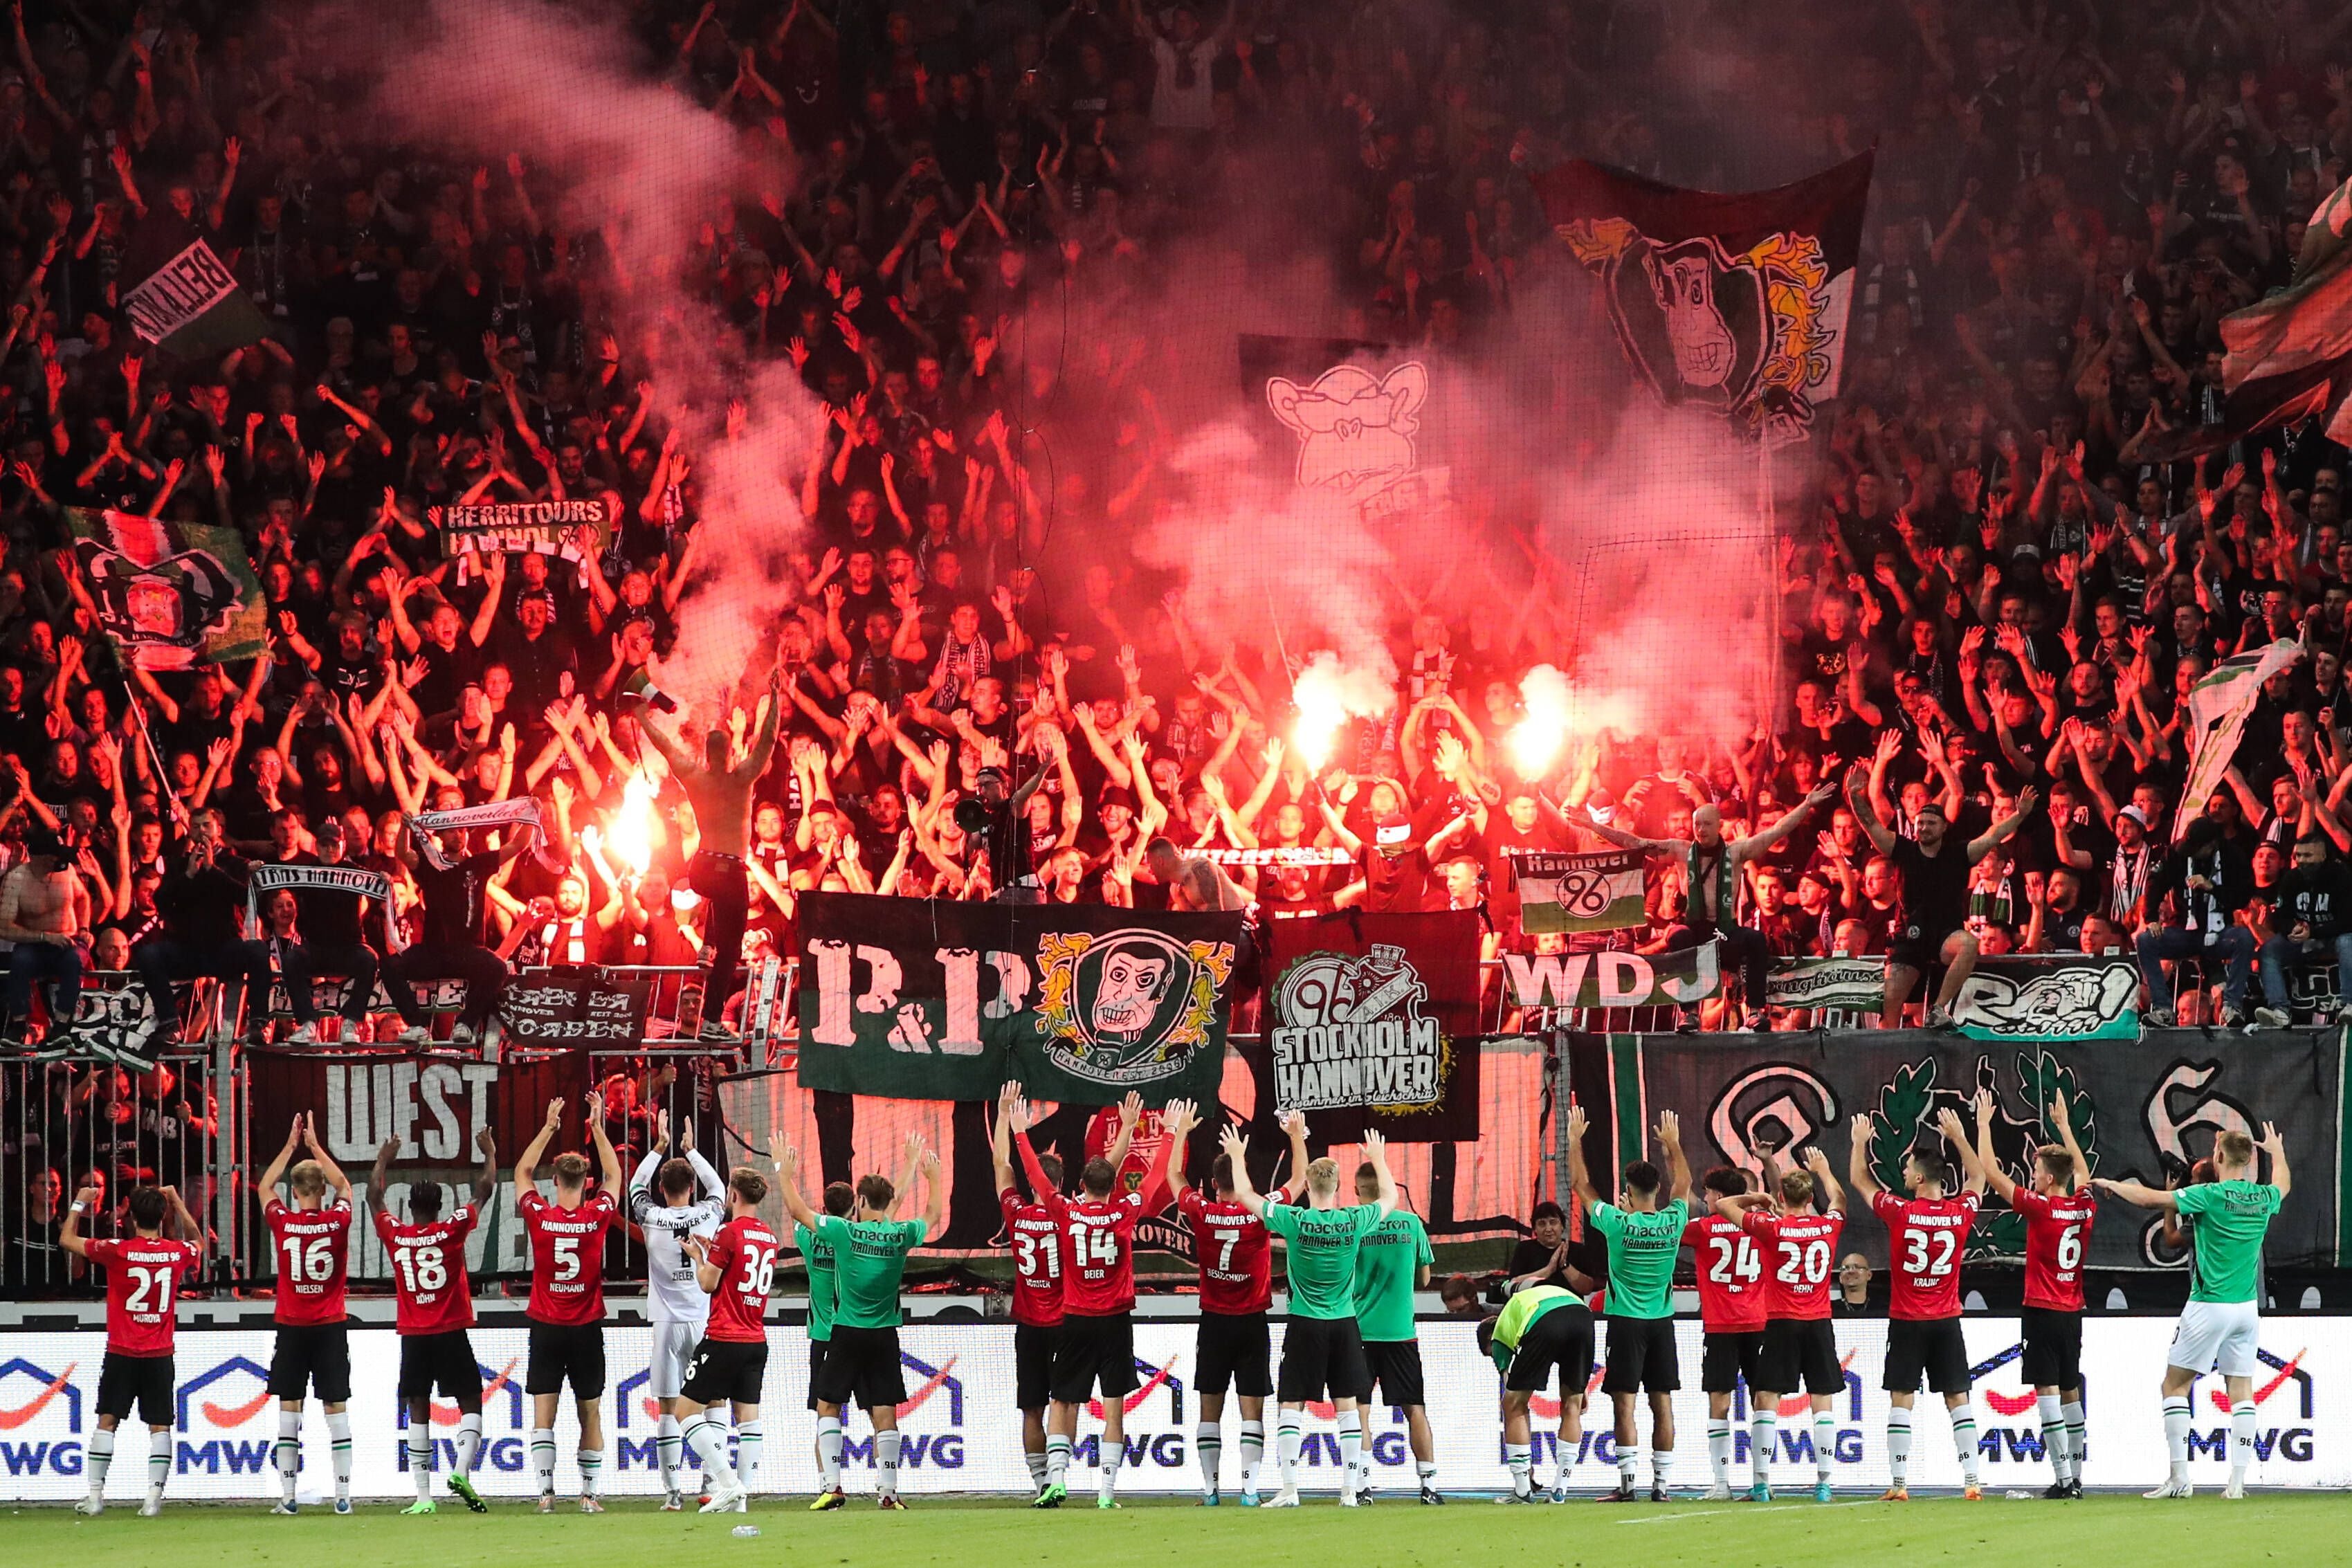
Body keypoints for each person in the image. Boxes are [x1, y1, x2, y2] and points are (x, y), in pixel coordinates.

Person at [2094, 1124, 2290, 1499]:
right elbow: (2283, 1184)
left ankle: (2180, 1479)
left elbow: (2152, 1200)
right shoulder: (2264, 1197)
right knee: (2241, 1389)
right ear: (2250, 1160)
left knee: (2175, 1386)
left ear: (2218, 1158)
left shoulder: (2209, 1195)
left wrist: (2114, 1184)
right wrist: (2278, 1152)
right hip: (2247, 1309)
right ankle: (2236, 1483)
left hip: (2208, 1306)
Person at [1214, 1120, 1397, 1508]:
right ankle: (1349, 1491)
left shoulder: (1294, 1221)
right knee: (1347, 1404)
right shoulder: (1353, 1221)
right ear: (1336, 1188)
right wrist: (1379, 1159)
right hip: (1345, 1323)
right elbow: (1390, 1199)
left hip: (1305, 1323)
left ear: (1309, 1188)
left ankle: (1290, 1488)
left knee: (1291, 1403)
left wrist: (1236, 1156)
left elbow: (1245, 1193)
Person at [1017, 1089, 1185, 1510]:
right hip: (1114, 1321)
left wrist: (1020, 1132)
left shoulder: (1066, 1212)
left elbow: (1037, 1178)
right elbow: (1157, 1175)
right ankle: (1107, 1493)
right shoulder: (1126, 1210)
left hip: (1073, 1319)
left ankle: (1055, 1481)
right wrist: (1168, 1133)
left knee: (1062, 1399)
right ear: (1114, 1185)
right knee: (1113, 1407)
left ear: (1080, 1187)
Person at [1570, 784, 1837, 1028]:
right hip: (1695, 931)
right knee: (1678, 935)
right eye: (1697, 824)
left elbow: (1776, 831)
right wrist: (1594, 828)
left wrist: (1806, 804)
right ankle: (1689, 1012)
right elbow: (1636, 844)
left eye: (1707, 824)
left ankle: (1755, 1010)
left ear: (1719, 825)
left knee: (1755, 939)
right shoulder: (1680, 849)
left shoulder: (1736, 852)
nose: (1700, 829)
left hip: (1725, 931)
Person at [776, 1133, 946, 1511]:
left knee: (828, 1406)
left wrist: (784, 1173)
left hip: (846, 1332)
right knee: (885, 1412)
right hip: (885, 1334)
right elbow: (932, 1216)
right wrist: (932, 1177)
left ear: (862, 1202)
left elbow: (799, 1213)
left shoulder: (844, 1233)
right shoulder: (900, 1235)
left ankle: (832, 1486)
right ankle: (888, 1493)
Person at [637, 668, 785, 1039]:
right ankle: (713, 1019)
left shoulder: (695, 777)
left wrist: (642, 718)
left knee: (717, 896)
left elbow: (665, 747)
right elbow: (767, 740)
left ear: (706, 753)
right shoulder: (742, 778)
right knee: (732, 953)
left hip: (701, 867)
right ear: (731, 752)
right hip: (730, 868)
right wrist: (776, 699)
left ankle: (707, 947)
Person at [1848, 1108, 1987, 1501]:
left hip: (1908, 1321)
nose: (1905, 1174)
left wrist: (1859, 1142)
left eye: (1909, 1169)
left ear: (1921, 1178)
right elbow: (1978, 1178)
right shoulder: (1960, 1212)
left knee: (1901, 1398)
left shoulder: (1900, 1211)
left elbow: (1860, 1180)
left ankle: (1898, 1484)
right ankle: (1973, 1482)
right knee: (1958, 1397)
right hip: (1946, 1320)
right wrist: (1960, 1136)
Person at [1177, 1106, 1309, 1506]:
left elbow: (1173, 1179)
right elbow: (1300, 1180)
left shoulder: (1201, 1210)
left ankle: (1211, 1491)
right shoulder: (1260, 1211)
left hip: (1214, 1323)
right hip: (1252, 1322)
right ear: (1240, 1177)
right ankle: (1250, 1492)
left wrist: (1178, 1134)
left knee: (1209, 1408)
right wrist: (1296, 1135)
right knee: (1252, 1409)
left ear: (1214, 1184)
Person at [1562, 1104, 1689, 1501]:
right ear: (1656, 1191)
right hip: (1662, 1323)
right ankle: (1663, 1487)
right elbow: (1683, 1184)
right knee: (1662, 1402)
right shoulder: (1675, 1220)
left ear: (1629, 1192)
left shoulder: (1617, 1224)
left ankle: (1628, 1486)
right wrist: (1674, 1145)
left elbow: (1582, 1185)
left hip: (1626, 1323)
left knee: (1624, 1404)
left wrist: (1574, 1141)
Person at [1848, 761, 2035, 1028]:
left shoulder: (1959, 854)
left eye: (1930, 823)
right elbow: (1870, 825)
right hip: (1908, 939)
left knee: (1969, 944)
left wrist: (2019, 815)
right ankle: (1883, 1057)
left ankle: (1938, 1010)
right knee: (1889, 1009)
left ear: (1944, 827)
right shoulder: (1903, 849)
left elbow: (1993, 835)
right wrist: (1855, 796)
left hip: (1945, 936)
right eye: (1920, 823)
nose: (1923, 827)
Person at [1973, 1089, 2094, 1497]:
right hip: (2073, 1310)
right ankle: (2077, 1476)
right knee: (2069, 1389)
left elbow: (1989, 1171)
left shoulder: (2041, 1207)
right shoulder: (2084, 1207)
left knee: (2045, 1390)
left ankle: (2063, 1481)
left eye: (2037, 1170)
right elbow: (2085, 1173)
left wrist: (1984, 1124)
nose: (2033, 1175)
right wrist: (2064, 1127)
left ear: (2049, 1178)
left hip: (2042, 1310)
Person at [372, 1128, 498, 1515]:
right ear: (442, 1206)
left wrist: (385, 1158)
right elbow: (485, 1190)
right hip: (451, 1331)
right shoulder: (451, 1229)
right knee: (471, 1400)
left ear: (409, 1207)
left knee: (417, 1405)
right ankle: (461, 1470)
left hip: (413, 1335)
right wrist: (489, 1153)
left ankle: (423, 1497)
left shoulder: (396, 1234)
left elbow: (374, 1197)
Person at [61, 1181, 202, 1517]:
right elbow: (198, 1240)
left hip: (122, 1351)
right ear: (162, 1215)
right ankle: (153, 1500)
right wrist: (178, 1202)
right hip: (159, 1354)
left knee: (107, 1420)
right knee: (160, 1427)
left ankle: (95, 1497)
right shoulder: (176, 1252)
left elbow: (66, 1240)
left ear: (131, 1217)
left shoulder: (117, 1250)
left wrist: (79, 1204)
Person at [513, 1092, 623, 1513]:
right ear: (585, 1183)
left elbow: (523, 1170)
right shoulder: (597, 1215)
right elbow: (614, 1176)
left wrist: (548, 1126)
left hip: (545, 1325)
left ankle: (545, 1495)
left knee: (544, 1412)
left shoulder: (541, 1216)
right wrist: (596, 1126)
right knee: (589, 1412)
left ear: (555, 1182)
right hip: (586, 1327)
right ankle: (590, 1495)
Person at [1716, 1146, 1845, 1502]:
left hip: (1781, 1322)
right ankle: (1824, 1484)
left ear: (1780, 1196)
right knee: (1822, 1401)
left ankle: (1760, 1482)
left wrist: (1754, 1195)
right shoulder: (1827, 1225)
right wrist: (1824, 1169)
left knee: (1766, 1398)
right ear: (1809, 1198)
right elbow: (1839, 1198)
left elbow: (1722, 1207)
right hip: (1818, 1321)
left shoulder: (1771, 1227)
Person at [626, 1106, 728, 1510]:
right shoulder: (708, 1214)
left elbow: (635, 1187)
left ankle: (672, 1494)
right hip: (704, 1320)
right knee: (713, 1401)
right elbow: (719, 1186)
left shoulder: (651, 1217)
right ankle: (711, 1481)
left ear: (663, 1189)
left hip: (666, 1325)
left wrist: (660, 1146)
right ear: (692, 1186)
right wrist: (692, 1149)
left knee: (669, 1405)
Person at [256, 1113, 356, 1514]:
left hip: (293, 1327)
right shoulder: (337, 1219)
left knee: (289, 1407)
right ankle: (344, 1496)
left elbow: (264, 1185)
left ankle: (288, 1496)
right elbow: (345, 1185)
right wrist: (315, 1146)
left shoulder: (283, 1222)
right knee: (336, 1408)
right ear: (321, 1190)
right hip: (330, 1326)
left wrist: (291, 1145)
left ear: (295, 1191)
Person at [675, 1164, 781, 1513]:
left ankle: (728, 1482)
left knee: (686, 1412)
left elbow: (708, 1283)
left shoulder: (728, 1231)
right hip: (755, 1339)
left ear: (733, 1195)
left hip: (723, 1337)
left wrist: (697, 1257)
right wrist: (712, 1253)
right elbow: (737, 1272)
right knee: (748, 1418)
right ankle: (741, 1501)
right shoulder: (769, 1236)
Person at [384, 817, 540, 1047]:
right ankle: (417, 1025)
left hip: (468, 952)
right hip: (433, 951)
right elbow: (403, 854)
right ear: (441, 836)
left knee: (497, 967)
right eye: (451, 831)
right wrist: (406, 827)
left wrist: (530, 815)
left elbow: (518, 845)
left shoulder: (478, 864)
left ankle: (465, 1023)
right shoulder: (431, 865)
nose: (458, 835)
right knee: (389, 966)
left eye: (462, 830)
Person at [992, 1084, 1072, 1501]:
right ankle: (1058, 1478)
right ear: (1061, 1183)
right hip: (1064, 1322)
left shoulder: (1017, 1211)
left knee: (1032, 1408)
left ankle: (1040, 1483)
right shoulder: (1069, 1216)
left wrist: (1005, 1113)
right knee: (1066, 1402)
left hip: (1028, 1324)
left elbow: (1000, 1161)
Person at [1349, 1154, 1441, 1503]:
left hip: (1359, 1332)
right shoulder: (1411, 1224)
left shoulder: (1353, 1223)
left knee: (1360, 1410)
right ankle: (1429, 1486)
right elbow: (1425, 1276)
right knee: (1415, 1408)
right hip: (1401, 1332)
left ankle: (1363, 1486)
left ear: (1357, 1191)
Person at [1685, 1163, 1767, 1501]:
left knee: (1719, 1404)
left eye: (1707, 1193)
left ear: (1719, 1196)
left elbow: (1668, 1231)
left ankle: (1721, 1484)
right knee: (1762, 1403)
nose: (1704, 1199)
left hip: (1720, 1327)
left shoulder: (1702, 1229)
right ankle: (1762, 1482)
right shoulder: (1762, 1226)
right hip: (1760, 1324)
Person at [2135, 817, 2260, 1030]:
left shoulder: (2234, 855)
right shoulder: (2176, 852)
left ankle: (2232, 1006)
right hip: (2184, 931)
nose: (2190, 852)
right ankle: (2162, 1009)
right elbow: (2156, 882)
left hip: (2219, 932)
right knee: (2145, 940)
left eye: (2196, 848)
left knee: (2245, 938)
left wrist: (2212, 887)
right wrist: (2151, 918)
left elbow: (2242, 897)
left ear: (2212, 845)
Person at [1478, 1282, 1596, 1505]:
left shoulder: (1500, 1335)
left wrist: (1526, 1468)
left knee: (1512, 1405)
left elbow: (1514, 1400)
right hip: (1582, 1315)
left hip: (1545, 1320)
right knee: (1573, 1404)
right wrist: (1582, 1387)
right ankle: (1560, 1490)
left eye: (1489, 1354)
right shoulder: (1520, 1310)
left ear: (1489, 1341)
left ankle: (1523, 1491)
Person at [0, 824, 89, 1046]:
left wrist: (85, 929)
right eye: (54, 856)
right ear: (42, 857)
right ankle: (19, 1024)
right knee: (20, 961)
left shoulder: (66, 871)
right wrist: (45, 937)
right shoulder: (16, 880)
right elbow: (4, 927)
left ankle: (62, 1025)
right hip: (35, 943)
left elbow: (84, 898)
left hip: (68, 938)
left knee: (73, 960)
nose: (58, 860)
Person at [2253, 833, 2352, 1027]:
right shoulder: (2292, 878)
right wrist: (2292, 929)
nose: (2301, 861)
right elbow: (2281, 916)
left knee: (2348, 941)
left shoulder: (2342, 876)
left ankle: (2350, 1003)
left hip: (2333, 938)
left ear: (2323, 856)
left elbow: (2348, 921)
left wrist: (2313, 932)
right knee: (2269, 951)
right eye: (2298, 856)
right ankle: (2280, 1010)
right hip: (2302, 939)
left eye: (2308, 856)